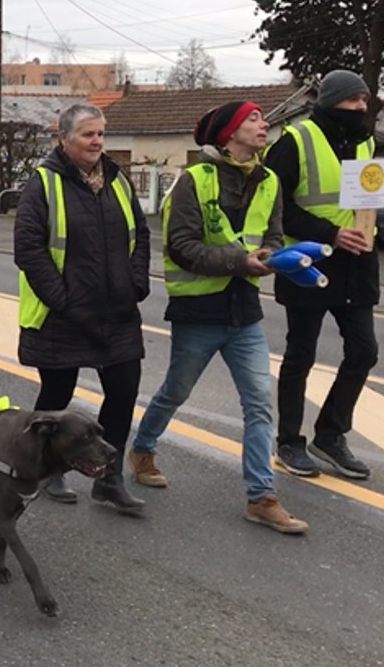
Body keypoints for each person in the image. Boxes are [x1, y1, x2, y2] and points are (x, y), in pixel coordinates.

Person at [129, 102, 308, 534]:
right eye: (253, 119)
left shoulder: (269, 181)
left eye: (262, 119)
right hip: (200, 310)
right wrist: (241, 260)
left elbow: (274, 235)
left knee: (258, 405)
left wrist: (272, 256)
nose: (264, 125)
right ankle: (143, 448)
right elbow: (181, 246)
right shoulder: (194, 180)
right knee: (176, 390)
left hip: (244, 312)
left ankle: (261, 497)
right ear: (229, 133)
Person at [14, 103, 149, 511]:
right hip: (64, 316)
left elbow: (140, 235)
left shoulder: (117, 180)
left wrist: (136, 284)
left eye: (101, 134)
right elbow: (29, 249)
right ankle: (47, 467)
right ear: (64, 138)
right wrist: (61, 299)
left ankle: (109, 478)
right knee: (57, 395)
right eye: (88, 135)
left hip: (117, 312)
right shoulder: (44, 183)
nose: (97, 142)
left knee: (123, 392)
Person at [264, 69, 380, 481]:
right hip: (309, 261)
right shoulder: (295, 141)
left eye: (364, 101)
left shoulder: (367, 142)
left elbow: (366, 197)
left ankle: (330, 435)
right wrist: (330, 232)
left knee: (364, 351)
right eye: (353, 101)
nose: (361, 108)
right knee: (300, 355)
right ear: (331, 101)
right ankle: (289, 442)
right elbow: (275, 206)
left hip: (358, 262)